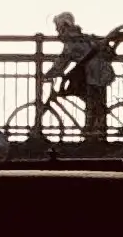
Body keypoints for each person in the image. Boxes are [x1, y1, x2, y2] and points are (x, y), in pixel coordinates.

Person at [48, 11, 115, 144]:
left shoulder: (72, 42)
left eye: (58, 27)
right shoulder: (82, 37)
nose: (57, 31)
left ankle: (92, 137)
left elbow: (62, 61)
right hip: (101, 72)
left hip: (94, 74)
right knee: (94, 103)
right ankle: (95, 134)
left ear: (64, 26)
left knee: (92, 104)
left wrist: (49, 74)